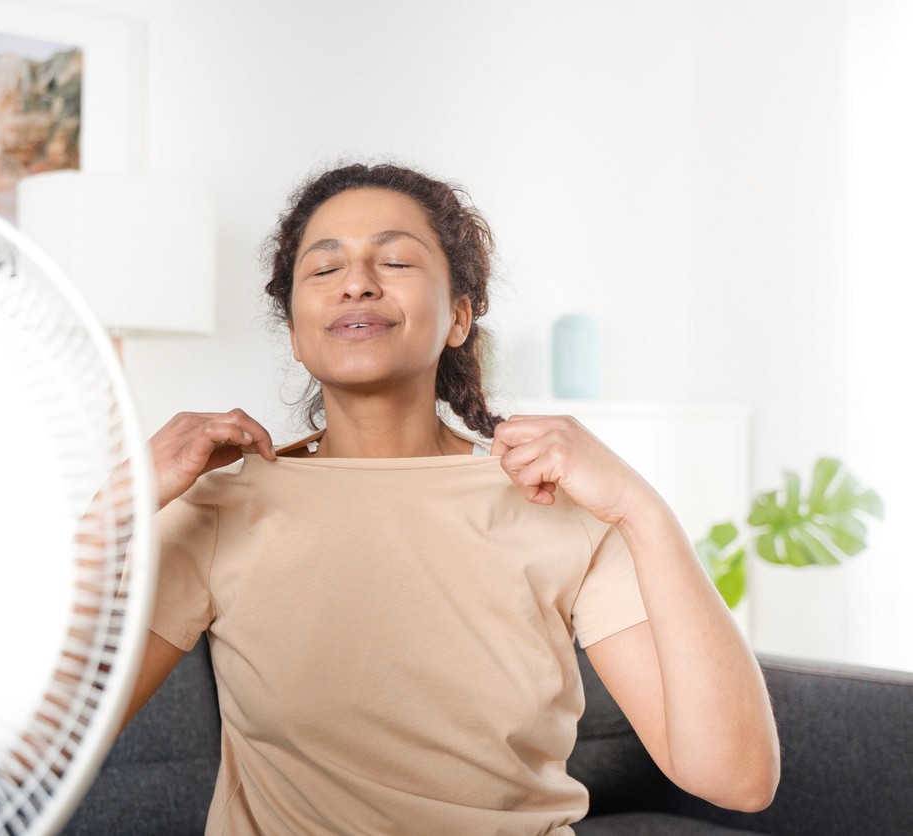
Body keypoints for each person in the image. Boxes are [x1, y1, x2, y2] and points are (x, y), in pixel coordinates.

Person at [122, 162, 779, 834]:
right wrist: (120, 499)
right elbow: (54, 739)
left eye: (395, 262)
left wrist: (643, 510)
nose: (356, 282)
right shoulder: (220, 509)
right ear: (294, 331)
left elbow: (737, 777)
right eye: (324, 269)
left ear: (459, 317)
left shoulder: (554, 504)